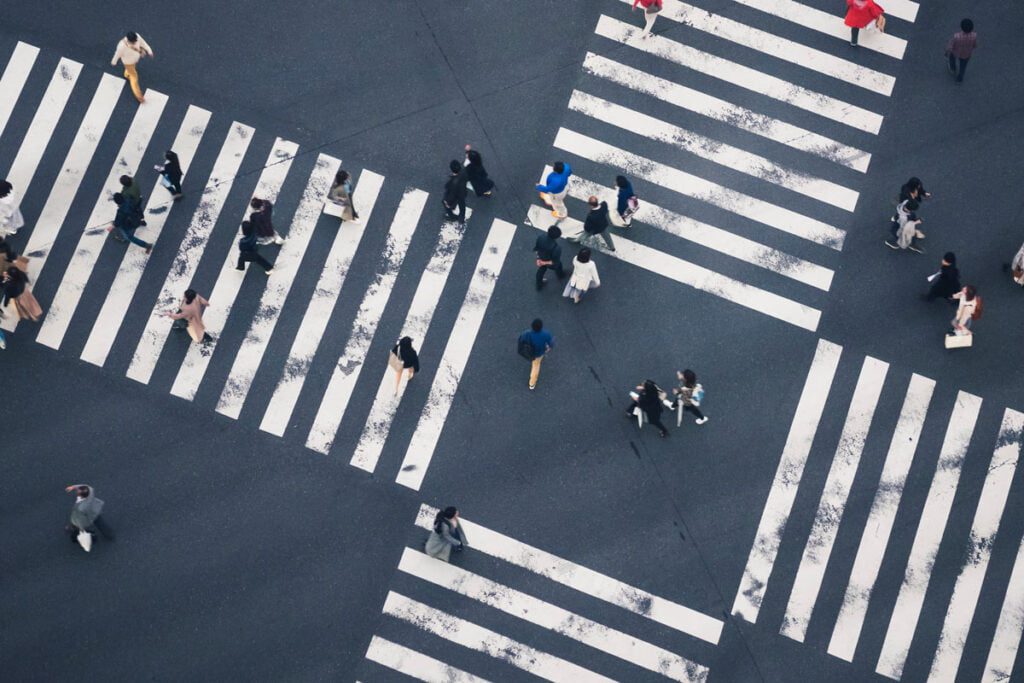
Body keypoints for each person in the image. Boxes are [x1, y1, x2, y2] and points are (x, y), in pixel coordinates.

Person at [110, 31, 153, 103]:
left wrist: (149, 50)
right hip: (128, 62)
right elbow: (117, 54)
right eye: (133, 42)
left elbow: (143, 43)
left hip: (135, 59)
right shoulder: (121, 46)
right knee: (134, 77)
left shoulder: (137, 37)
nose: (135, 43)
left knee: (130, 70)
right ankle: (139, 95)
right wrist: (114, 61)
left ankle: (127, 74)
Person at [519, 318, 553, 391]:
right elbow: (550, 344)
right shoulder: (545, 334)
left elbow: (521, 340)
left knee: (534, 363)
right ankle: (532, 383)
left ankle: (532, 383)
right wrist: (547, 349)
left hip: (529, 352)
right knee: (536, 366)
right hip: (538, 354)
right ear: (541, 327)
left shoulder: (526, 333)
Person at [534, 226, 566, 290]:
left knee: (541, 271)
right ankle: (560, 275)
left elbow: (537, 249)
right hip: (549, 262)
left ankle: (539, 285)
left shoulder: (541, 237)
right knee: (559, 265)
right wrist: (544, 262)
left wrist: (538, 259)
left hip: (541, 258)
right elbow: (554, 262)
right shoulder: (557, 248)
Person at [946, 18, 977, 83]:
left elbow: (951, 45)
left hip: (956, 52)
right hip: (967, 54)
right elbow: (974, 45)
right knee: (963, 67)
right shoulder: (974, 35)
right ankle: (960, 78)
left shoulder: (956, 36)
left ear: (961, 27)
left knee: (952, 59)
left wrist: (947, 51)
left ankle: (953, 69)